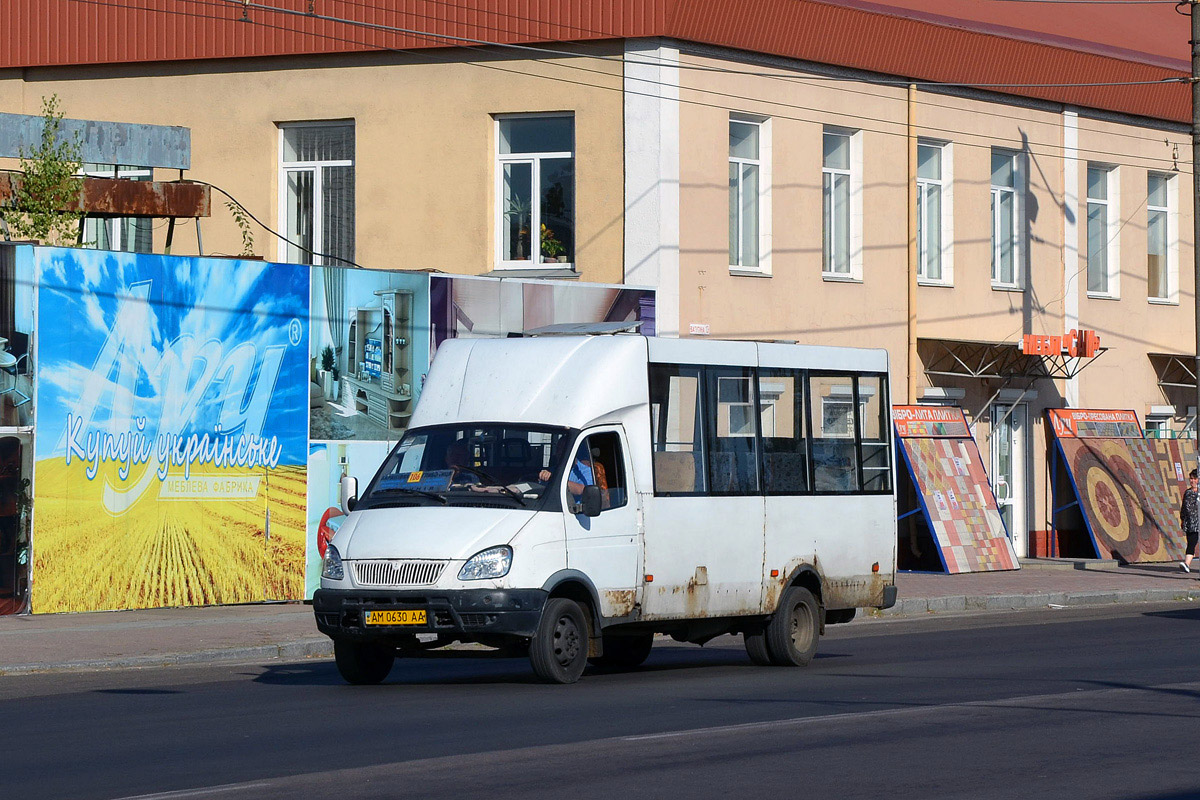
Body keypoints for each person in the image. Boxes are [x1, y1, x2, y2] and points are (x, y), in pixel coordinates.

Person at [1180, 468, 1199, 573]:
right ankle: (1187, 564)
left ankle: (1187, 564)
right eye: (1191, 479)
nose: (1192, 481)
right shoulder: (1187, 493)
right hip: (1191, 524)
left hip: (1198, 522)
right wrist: (1183, 519)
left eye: (1194, 478)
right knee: (1191, 543)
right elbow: (1183, 508)